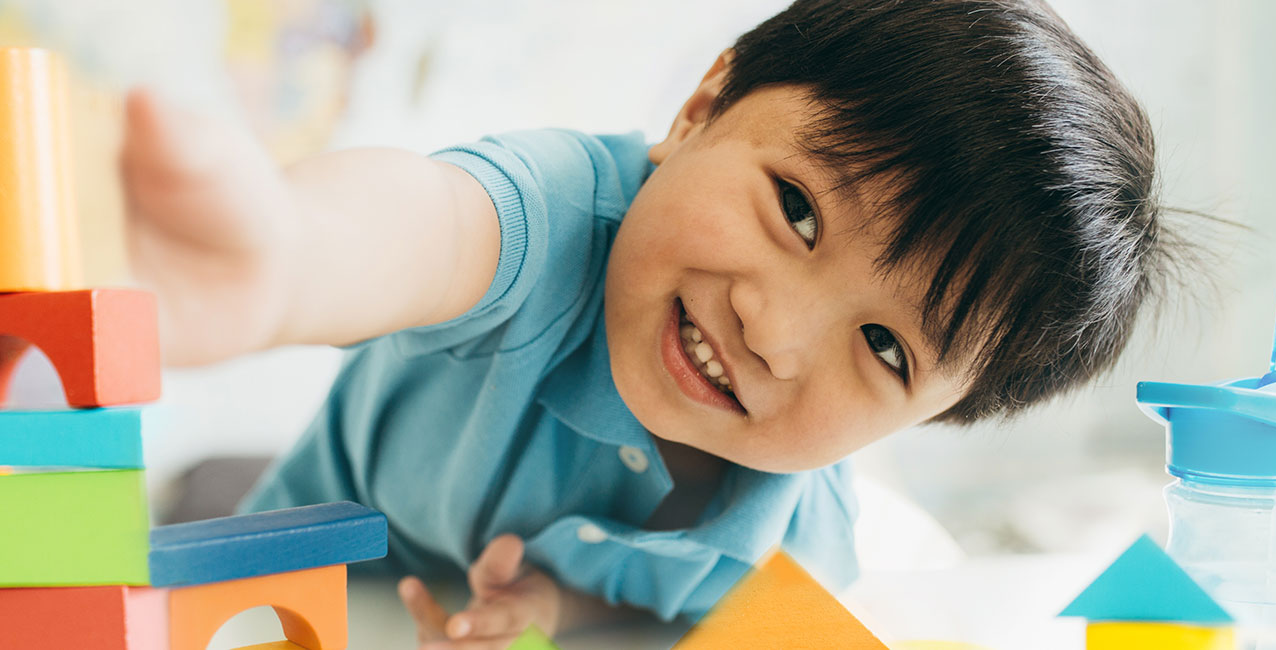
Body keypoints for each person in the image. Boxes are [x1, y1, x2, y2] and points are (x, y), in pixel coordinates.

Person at [120, 0, 1180, 646]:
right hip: (325, 505)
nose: (776, 331)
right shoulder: (564, 215)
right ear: (700, 109)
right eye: (797, 209)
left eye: (887, 346)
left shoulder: (787, 541)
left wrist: (550, 604)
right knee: (177, 518)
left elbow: (655, 595)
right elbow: (431, 225)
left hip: (455, 564)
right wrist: (287, 256)